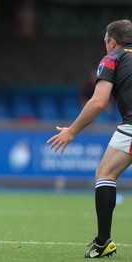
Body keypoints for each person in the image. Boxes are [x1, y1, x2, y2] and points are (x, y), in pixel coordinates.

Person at [47, 19, 132, 258]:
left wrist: (71, 131)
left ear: (112, 41)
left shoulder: (113, 57)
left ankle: (103, 242)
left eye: (105, 41)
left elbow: (97, 102)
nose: (105, 45)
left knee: (105, 175)